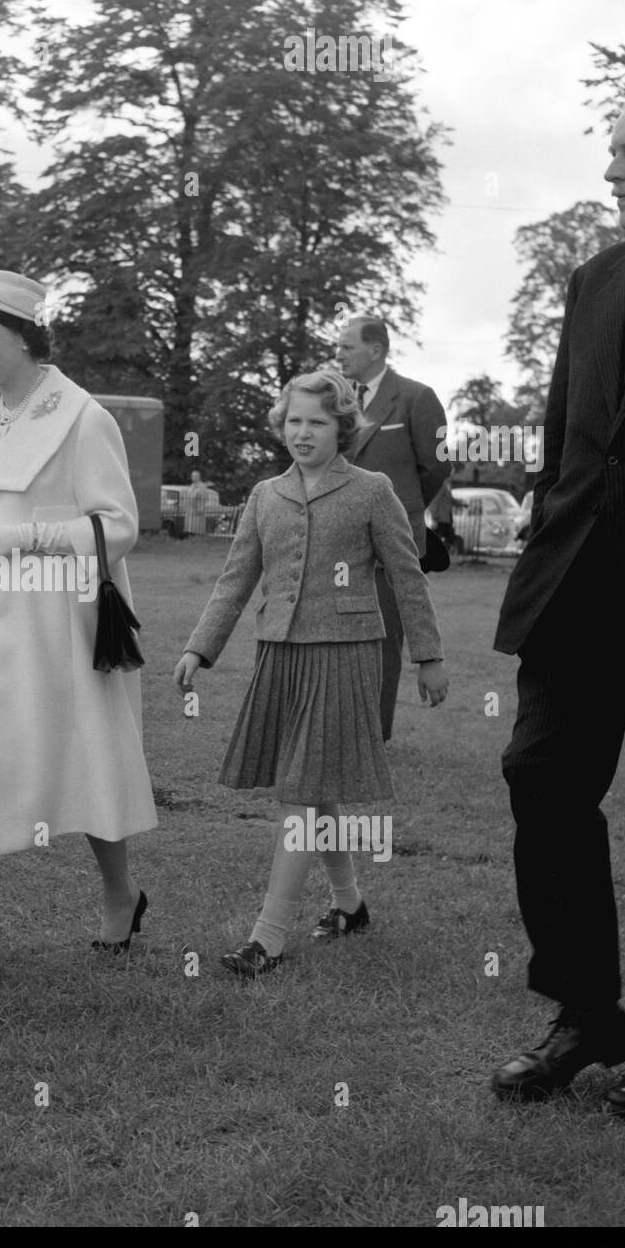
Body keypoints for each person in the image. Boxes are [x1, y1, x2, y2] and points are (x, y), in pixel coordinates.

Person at [490, 80, 625, 1115]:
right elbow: (570, 432)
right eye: (609, 151)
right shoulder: (597, 278)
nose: (610, 169)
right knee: (540, 774)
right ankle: (584, 1012)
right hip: (578, 602)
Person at [0, 268, 158, 988]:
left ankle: (119, 894)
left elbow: (119, 526)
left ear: (24, 336)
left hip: (55, 631)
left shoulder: (82, 417)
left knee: (88, 764)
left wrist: (32, 539)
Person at [174, 370, 449, 978]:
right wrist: (200, 648)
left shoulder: (372, 490)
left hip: (346, 653)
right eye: (295, 420)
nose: (303, 432)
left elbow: (407, 575)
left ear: (342, 428)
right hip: (281, 652)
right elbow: (236, 578)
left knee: (299, 790)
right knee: (313, 787)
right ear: (281, 424)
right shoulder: (264, 495)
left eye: (318, 422)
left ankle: (266, 938)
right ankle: (349, 904)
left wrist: (427, 656)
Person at [337, 315, 449, 741]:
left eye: (347, 346)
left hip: (392, 541)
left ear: (376, 350)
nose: (339, 354)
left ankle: (371, 736)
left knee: (383, 639)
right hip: (339, 537)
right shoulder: (336, 399)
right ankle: (337, 726)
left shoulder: (417, 398)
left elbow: (437, 466)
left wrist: (398, 510)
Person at [183, 470, 211, 536]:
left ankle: (197, 536)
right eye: (192, 476)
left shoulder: (202, 486)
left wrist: (200, 508)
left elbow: (204, 498)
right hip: (190, 508)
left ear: (199, 477)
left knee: (197, 525)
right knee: (190, 524)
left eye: (195, 476)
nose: (194, 477)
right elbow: (188, 496)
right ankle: (189, 535)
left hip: (198, 508)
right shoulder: (191, 485)